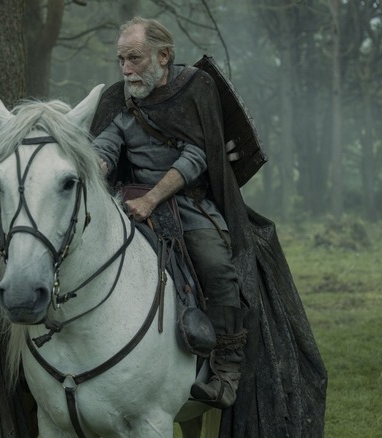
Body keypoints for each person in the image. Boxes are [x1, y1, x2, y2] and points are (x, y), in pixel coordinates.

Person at [91, 17, 246, 409]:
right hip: (133, 200)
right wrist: (90, 166)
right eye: (121, 59)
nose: (126, 69)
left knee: (217, 266)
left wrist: (152, 199)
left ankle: (227, 370)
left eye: (135, 59)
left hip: (188, 203)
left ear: (163, 55)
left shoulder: (196, 87)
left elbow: (198, 154)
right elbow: (108, 145)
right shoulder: (121, 100)